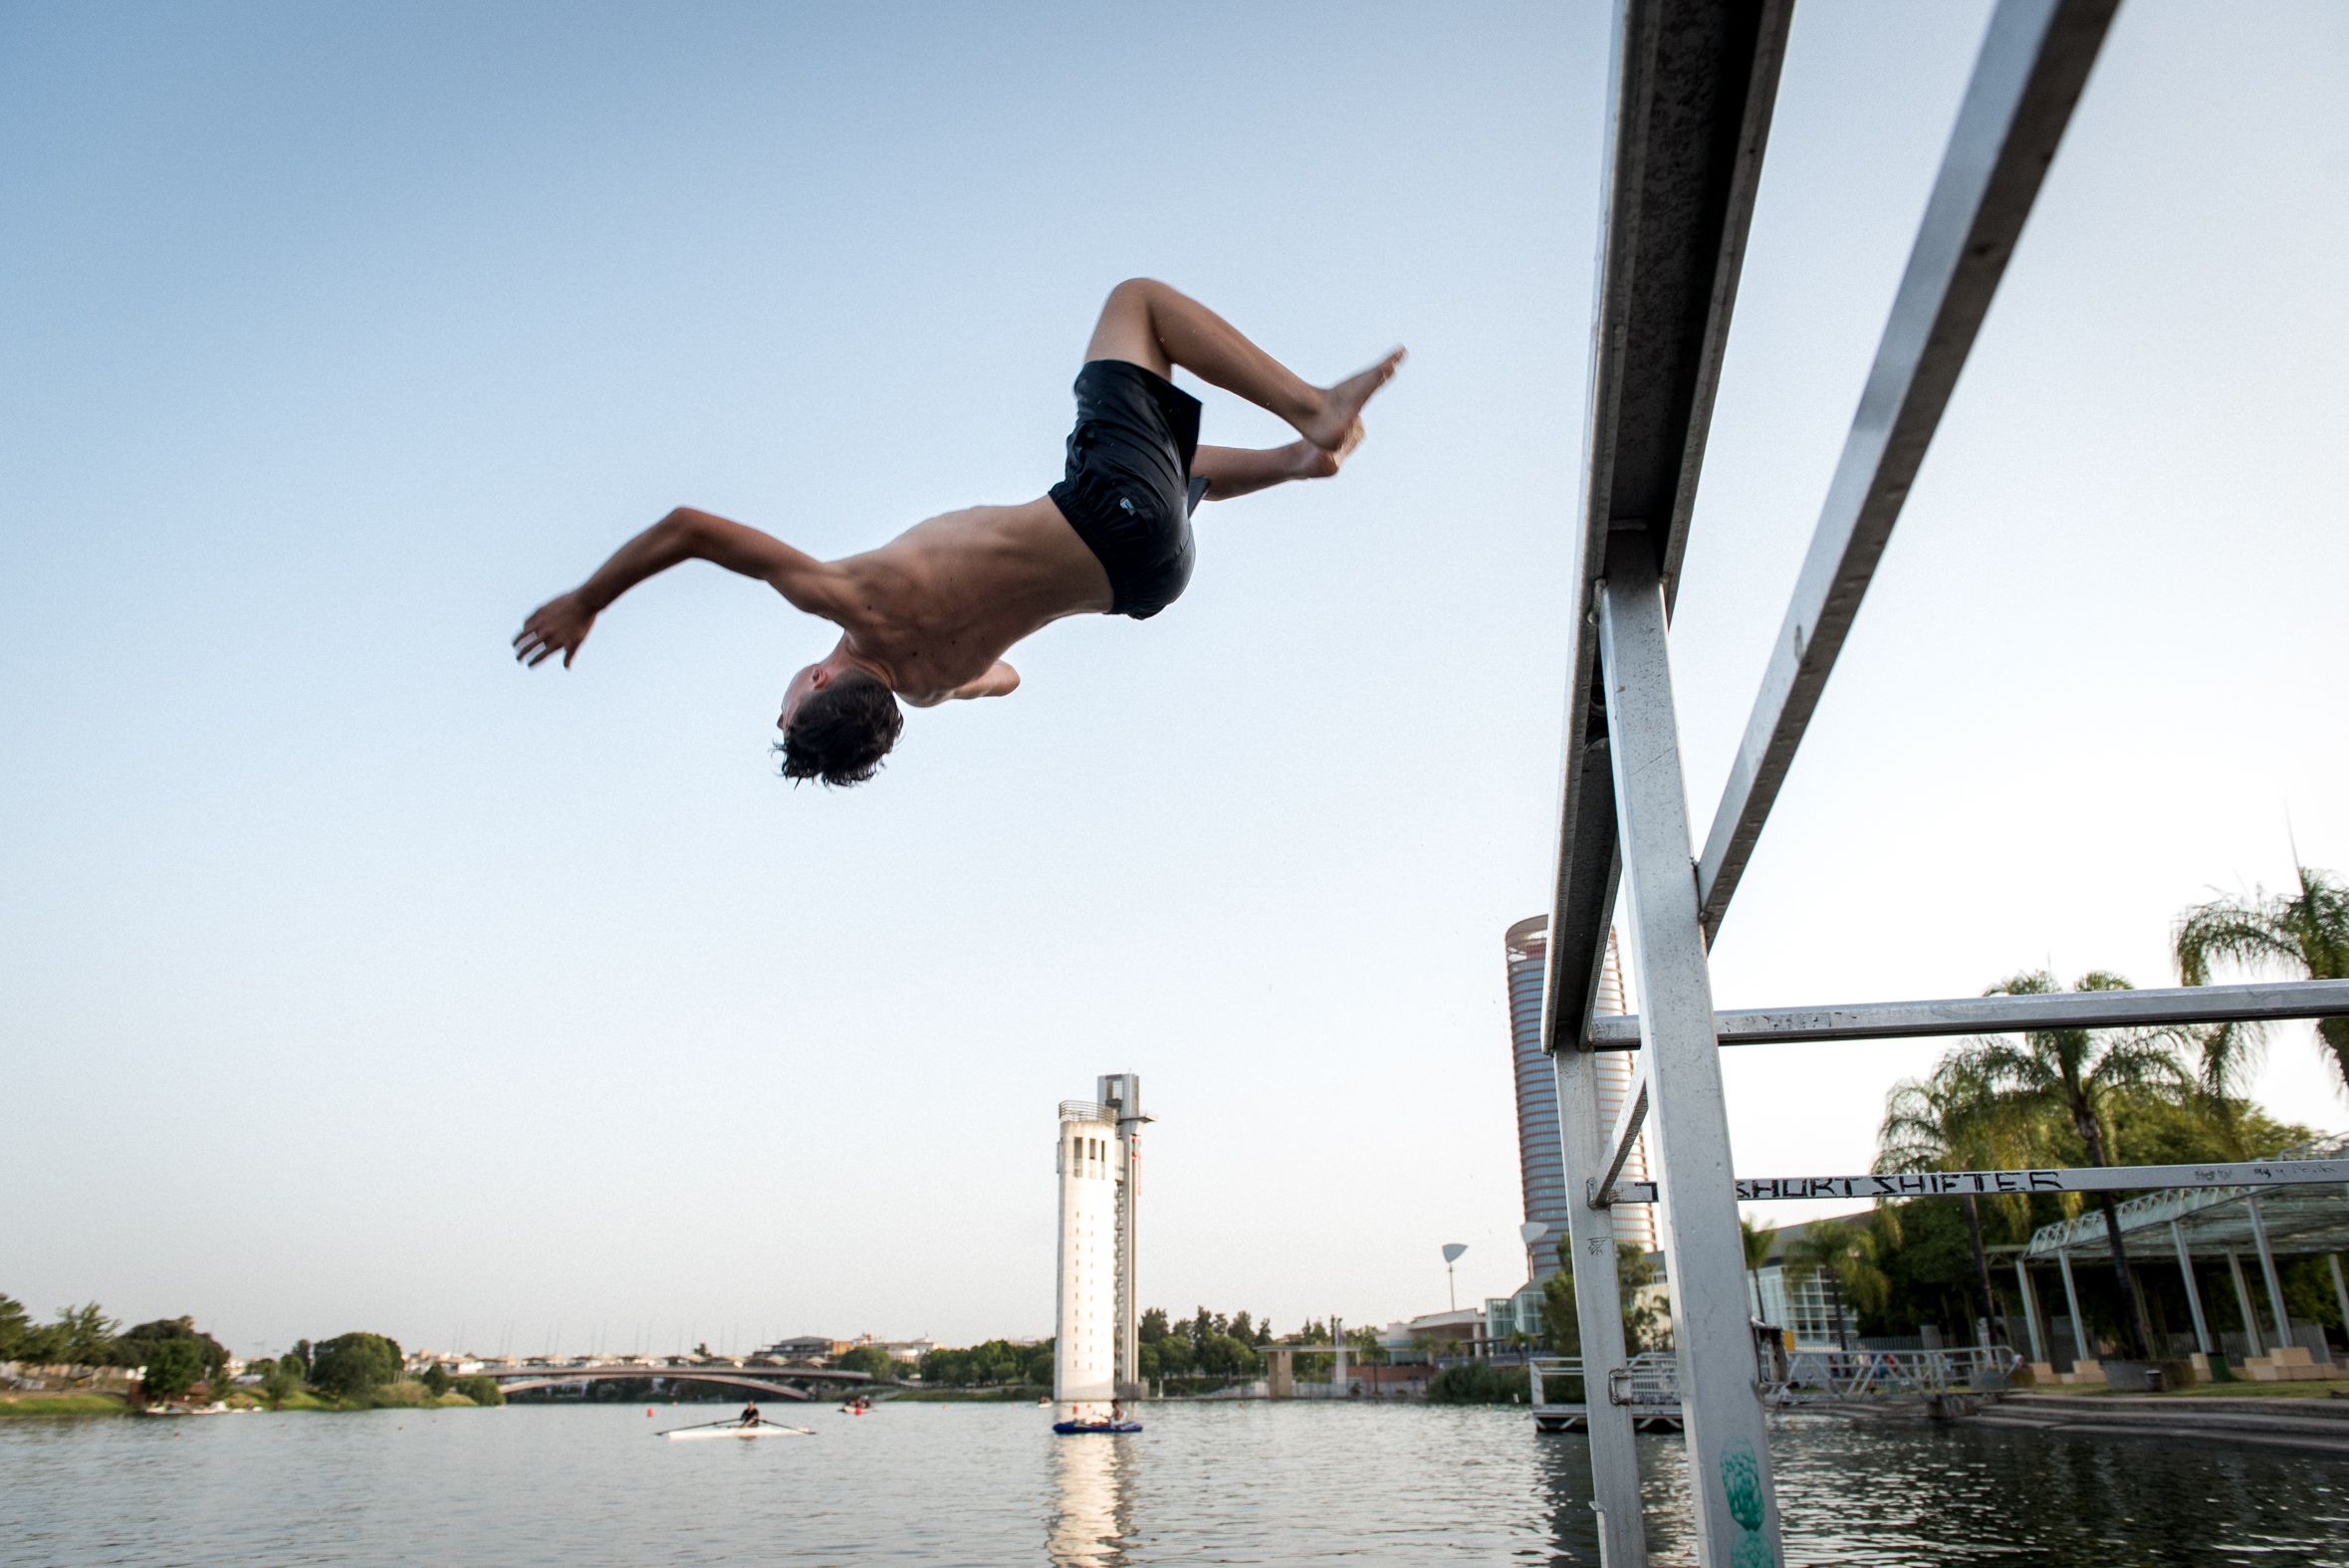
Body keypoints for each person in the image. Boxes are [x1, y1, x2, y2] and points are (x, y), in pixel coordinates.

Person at [514, 279, 1403, 786]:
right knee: (1137, 305)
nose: (784, 694)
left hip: (1148, 579)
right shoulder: (852, 601)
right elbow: (690, 527)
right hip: (1108, 514)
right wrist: (588, 600)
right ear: (817, 677)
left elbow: (1008, 678)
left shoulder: (937, 688)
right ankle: (1312, 410)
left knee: (1159, 475)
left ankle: (1295, 463)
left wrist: (942, 679)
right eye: (787, 701)